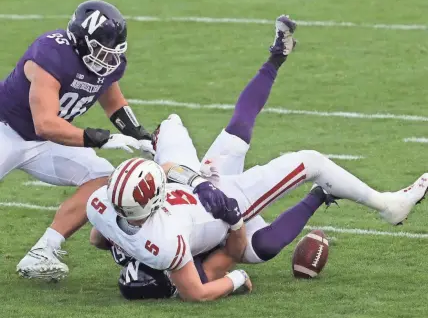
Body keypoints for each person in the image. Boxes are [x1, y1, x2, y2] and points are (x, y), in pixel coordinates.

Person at [88, 15, 428, 300]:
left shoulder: (114, 214)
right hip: (219, 208)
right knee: (302, 174)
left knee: (178, 127)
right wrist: (233, 228)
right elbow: (217, 270)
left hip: (195, 191)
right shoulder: (166, 248)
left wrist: (193, 180)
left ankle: (277, 57)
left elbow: (106, 231)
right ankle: (387, 206)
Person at [0, 0, 154, 281]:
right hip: (6, 130)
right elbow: (45, 123)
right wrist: (97, 139)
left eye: (113, 54)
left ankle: (43, 251)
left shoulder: (107, 65)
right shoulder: (50, 53)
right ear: (80, 41)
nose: (108, 61)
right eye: (102, 52)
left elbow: (112, 99)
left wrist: (138, 132)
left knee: (104, 178)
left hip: (43, 142)